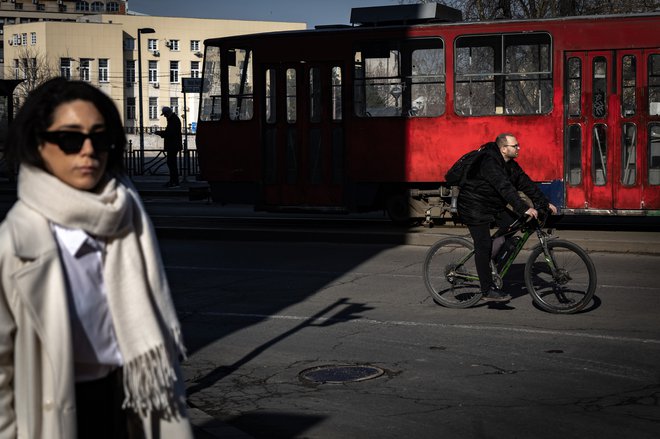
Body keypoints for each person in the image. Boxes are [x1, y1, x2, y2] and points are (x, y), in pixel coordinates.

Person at [0, 78, 193, 438]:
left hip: (133, 400)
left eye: (100, 138)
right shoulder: (16, 241)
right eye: (71, 139)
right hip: (56, 411)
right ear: (39, 143)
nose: (88, 150)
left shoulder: (127, 213)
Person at [457, 133, 557, 302]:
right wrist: (524, 207)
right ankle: (487, 290)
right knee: (483, 245)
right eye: (515, 146)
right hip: (473, 206)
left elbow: (526, 183)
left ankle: (493, 257)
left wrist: (544, 203)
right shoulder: (489, 162)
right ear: (504, 149)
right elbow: (504, 188)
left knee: (516, 223)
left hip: (491, 205)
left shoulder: (510, 165)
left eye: (518, 145)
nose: (518, 148)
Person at [156, 106, 182, 188]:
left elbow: (170, 133)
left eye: (164, 114)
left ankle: (174, 182)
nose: (164, 116)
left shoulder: (173, 120)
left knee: (172, 164)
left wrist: (160, 133)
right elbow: (170, 132)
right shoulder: (173, 119)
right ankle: (173, 181)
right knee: (171, 163)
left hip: (173, 145)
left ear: (167, 113)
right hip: (173, 145)